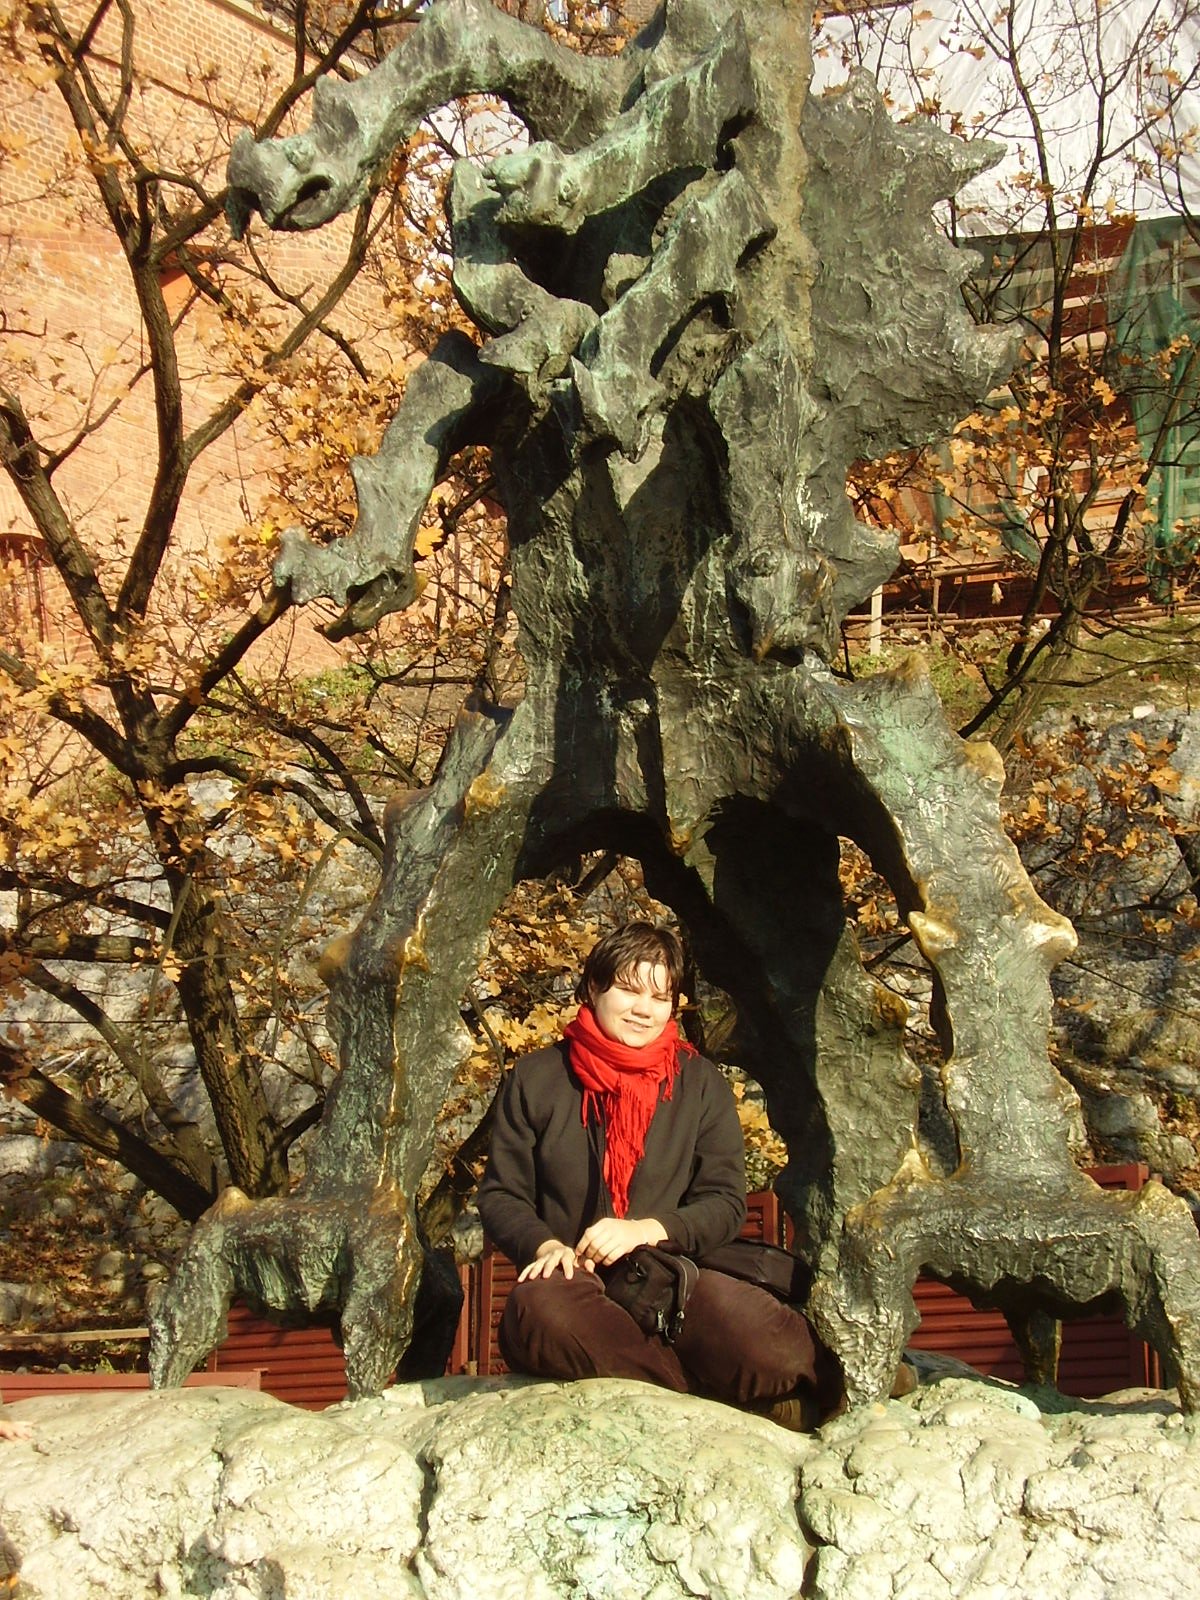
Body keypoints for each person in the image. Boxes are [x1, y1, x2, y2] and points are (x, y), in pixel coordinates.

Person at [476, 921, 839, 1424]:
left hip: (674, 1275)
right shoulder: (536, 1079)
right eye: (628, 990)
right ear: (593, 989)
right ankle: (714, 1401)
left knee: (765, 1343)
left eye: (660, 995)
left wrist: (647, 1229)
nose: (644, 1009)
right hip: (574, 1282)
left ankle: (838, 1386)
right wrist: (545, 1246)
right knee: (540, 1316)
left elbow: (726, 1204)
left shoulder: (700, 1083)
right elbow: (501, 1195)